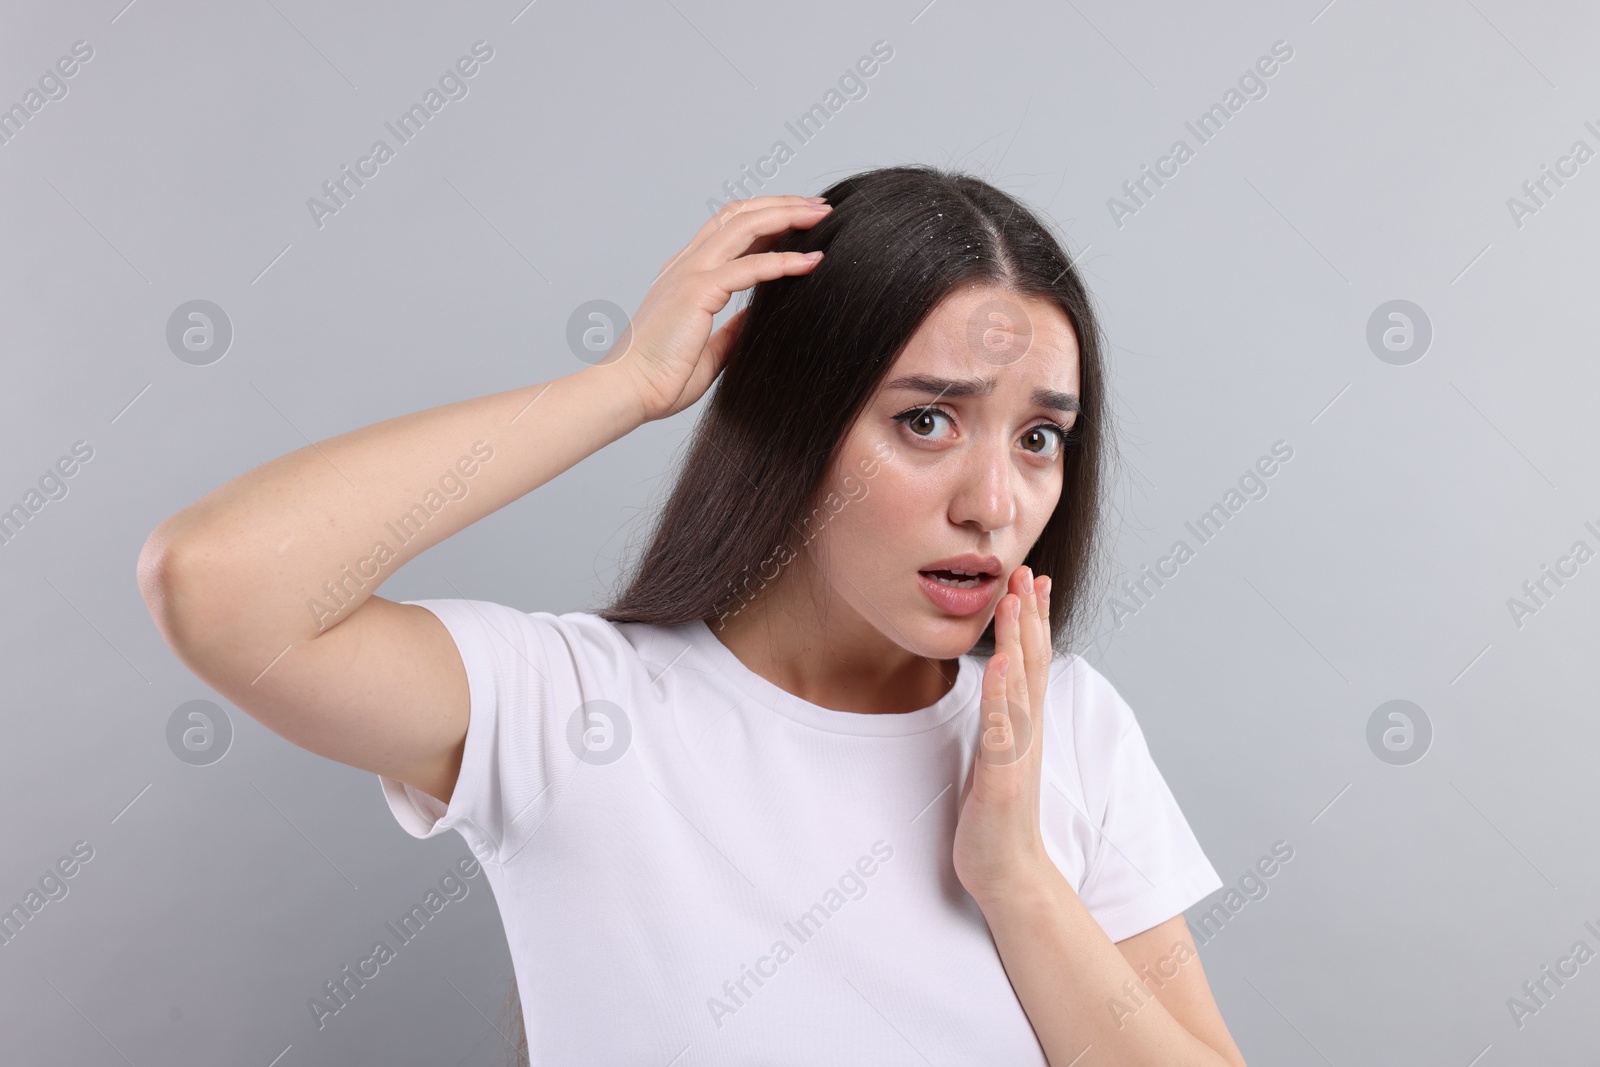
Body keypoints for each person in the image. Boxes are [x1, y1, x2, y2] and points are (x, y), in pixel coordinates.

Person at [137, 164, 1248, 1065]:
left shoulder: (1065, 725)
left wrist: (1016, 881)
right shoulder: (576, 708)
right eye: (924, 421)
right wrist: (627, 383)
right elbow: (217, 581)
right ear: (793, 423)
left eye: (1038, 436)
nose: (995, 502)